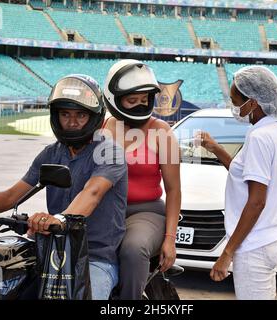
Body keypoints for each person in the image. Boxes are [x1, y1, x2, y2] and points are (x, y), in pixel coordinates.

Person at [0, 74, 127, 300]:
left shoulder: (109, 152)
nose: (72, 122)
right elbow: (10, 197)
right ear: (56, 116)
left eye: (81, 115)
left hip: (92, 257)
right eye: (65, 114)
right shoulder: (52, 153)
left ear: (94, 117)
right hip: (48, 250)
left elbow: (92, 193)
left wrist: (59, 219)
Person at [197, 66, 277, 300]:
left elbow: (257, 201)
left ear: (253, 103)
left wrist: (227, 253)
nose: (234, 107)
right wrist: (216, 149)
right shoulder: (276, 131)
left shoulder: (259, 137)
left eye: (235, 101)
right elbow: (244, 175)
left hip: (254, 247)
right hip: (271, 239)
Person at [102, 59, 181, 300]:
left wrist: (170, 239)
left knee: (133, 249)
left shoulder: (162, 132)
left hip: (146, 212)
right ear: (115, 98)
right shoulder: (101, 127)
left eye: (145, 99)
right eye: (132, 100)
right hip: (106, 210)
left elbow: (174, 190)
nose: (140, 105)